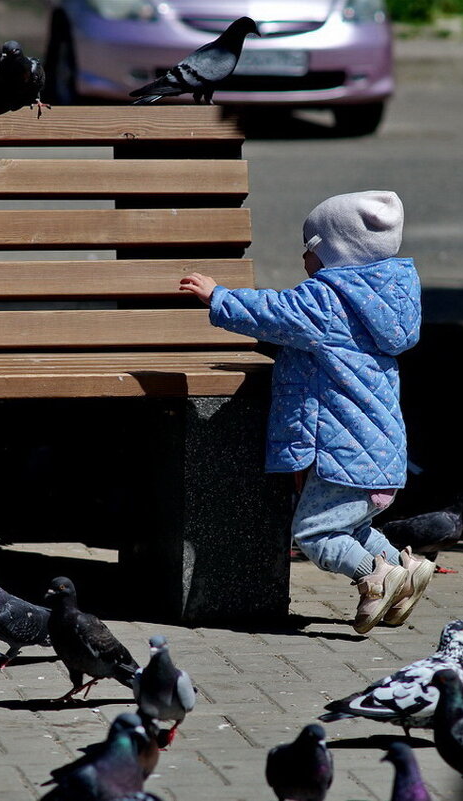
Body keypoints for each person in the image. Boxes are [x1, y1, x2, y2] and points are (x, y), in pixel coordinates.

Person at [179, 190, 434, 634]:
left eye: (312, 247)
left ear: (338, 252)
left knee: (315, 533)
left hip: (344, 450)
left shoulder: (327, 302)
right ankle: (403, 567)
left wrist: (217, 296)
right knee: (349, 528)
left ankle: (376, 577)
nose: (304, 256)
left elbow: (274, 313)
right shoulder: (386, 297)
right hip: (380, 452)